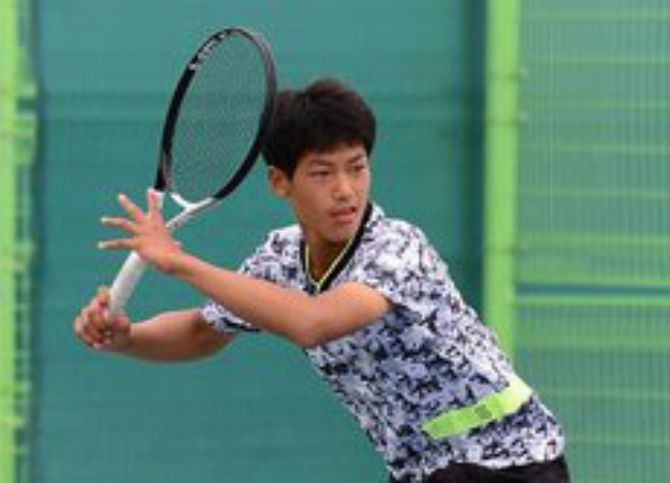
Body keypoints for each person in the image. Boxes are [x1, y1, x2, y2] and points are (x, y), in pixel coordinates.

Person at [74, 78, 571, 483]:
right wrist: (128, 338)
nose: (345, 190)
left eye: (357, 168)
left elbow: (313, 323)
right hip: (423, 471)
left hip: (512, 462)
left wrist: (179, 262)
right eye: (322, 173)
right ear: (280, 182)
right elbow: (204, 330)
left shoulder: (398, 248)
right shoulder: (280, 257)